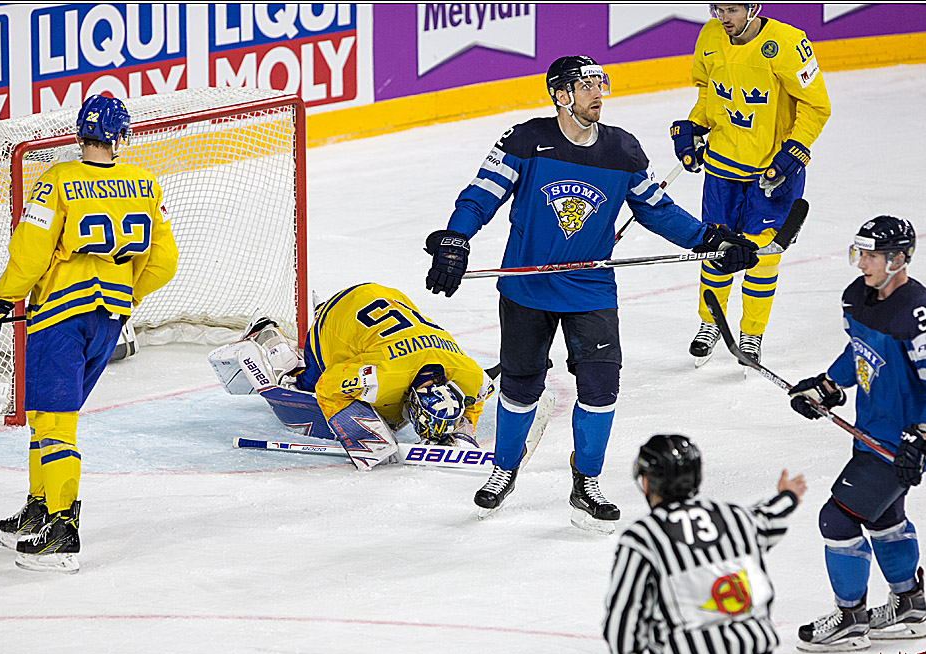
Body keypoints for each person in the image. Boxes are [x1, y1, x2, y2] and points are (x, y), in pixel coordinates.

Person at [424, 55, 759, 534]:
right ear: (561, 96)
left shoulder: (622, 150)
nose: (598, 92)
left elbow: (657, 209)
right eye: (586, 85)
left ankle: (587, 483)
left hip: (591, 290)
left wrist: (710, 239)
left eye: (601, 83)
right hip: (527, 287)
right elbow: (481, 195)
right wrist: (456, 239)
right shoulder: (524, 141)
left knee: (601, 389)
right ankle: (504, 469)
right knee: (520, 387)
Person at [0, 94, 178, 573]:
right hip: (108, 323)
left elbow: (30, 254)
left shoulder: (57, 181)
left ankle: (62, 532)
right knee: (46, 415)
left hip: (60, 319)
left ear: (80, 133)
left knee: (55, 424)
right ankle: (40, 508)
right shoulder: (145, 184)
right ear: (121, 137)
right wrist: (126, 296)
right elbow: (165, 262)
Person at [788, 216, 926, 651]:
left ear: (898, 259)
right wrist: (828, 385)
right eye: (860, 253)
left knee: (837, 518)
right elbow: (860, 352)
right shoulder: (858, 297)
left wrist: (923, 438)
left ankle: (851, 618)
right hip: (872, 432)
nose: (862, 263)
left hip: (901, 444)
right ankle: (909, 605)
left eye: (871, 255)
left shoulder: (920, 313)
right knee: (884, 517)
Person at [671, 4, 831, 367]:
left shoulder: (788, 42)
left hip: (772, 171)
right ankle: (711, 322)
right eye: (717, 9)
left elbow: (816, 105)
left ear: (753, 6)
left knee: (762, 255)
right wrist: (694, 126)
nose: (723, 18)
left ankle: (752, 333)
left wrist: (796, 148)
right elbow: (709, 91)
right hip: (722, 167)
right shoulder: (710, 35)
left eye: (732, 9)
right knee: (716, 247)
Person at [209, 283, 496, 470]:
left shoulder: (471, 376)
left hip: (387, 299)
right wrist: (365, 435)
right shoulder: (380, 376)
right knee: (303, 387)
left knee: (384, 405)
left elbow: (478, 395)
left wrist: (464, 430)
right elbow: (329, 386)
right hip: (335, 320)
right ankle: (267, 334)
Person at [603, 434, 806, 654]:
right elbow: (770, 516)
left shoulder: (643, 537)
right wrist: (788, 496)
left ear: (646, 483)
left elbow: (622, 624)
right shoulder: (736, 518)